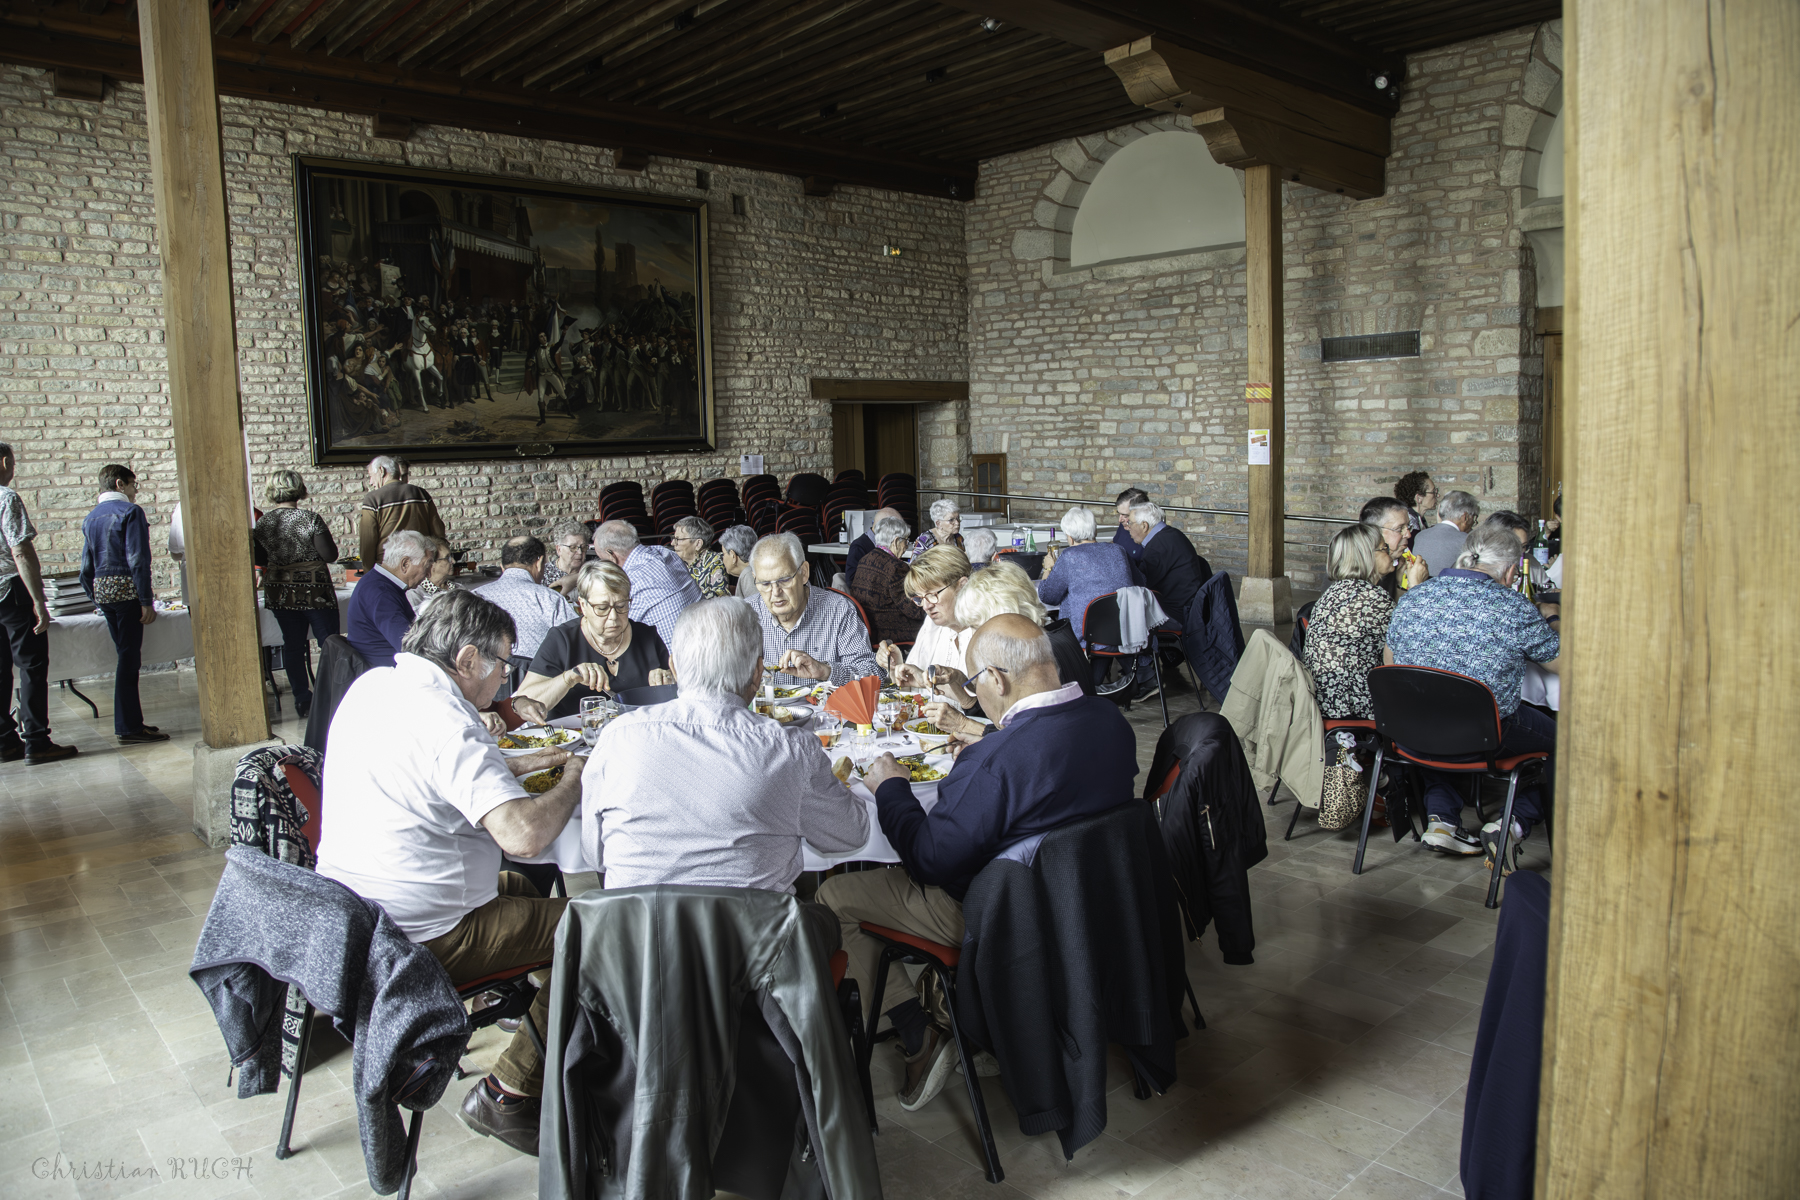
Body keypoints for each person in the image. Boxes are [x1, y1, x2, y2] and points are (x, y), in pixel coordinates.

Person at [816, 615, 1137, 1110]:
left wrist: (892, 788)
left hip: (1000, 913)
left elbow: (928, 861)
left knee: (831, 898)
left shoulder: (994, 763)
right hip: (1087, 900)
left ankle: (919, 1033)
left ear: (998, 680)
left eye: (973, 683)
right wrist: (990, 741)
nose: (973, 693)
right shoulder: (1110, 721)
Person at [316, 591, 585, 1155]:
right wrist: (574, 778)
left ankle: (558, 1019)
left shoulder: (375, 687)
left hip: (356, 916)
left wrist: (525, 762)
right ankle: (509, 1091)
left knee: (522, 889)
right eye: (502, 663)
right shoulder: (448, 721)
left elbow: (436, 769)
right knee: (603, 927)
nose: (505, 677)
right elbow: (524, 836)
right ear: (467, 659)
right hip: (423, 934)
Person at [581, 597, 868, 889]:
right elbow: (850, 833)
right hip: (752, 919)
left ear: (674, 668)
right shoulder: (790, 750)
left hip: (637, 918)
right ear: (757, 673)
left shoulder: (616, 738)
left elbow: (594, 855)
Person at [1386, 525, 1561, 860]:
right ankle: (1512, 823)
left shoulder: (1413, 597)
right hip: (1485, 735)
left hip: (1411, 732)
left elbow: (1390, 664)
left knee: (1436, 710)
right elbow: (1562, 664)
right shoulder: (1512, 605)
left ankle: (1442, 821)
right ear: (1510, 571)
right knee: (1569, 744)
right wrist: (1552, 619)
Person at [920, 560, 1095, 740]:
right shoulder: (1052, 637)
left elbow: (1032, 740)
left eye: (976, 627)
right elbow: (1007, 718)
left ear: (1002, 617)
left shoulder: (1041, 659)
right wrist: (964, 688)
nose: (973, 637)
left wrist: (965, 725)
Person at [514, 561, 672, 721]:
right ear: (583, 605)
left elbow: (678, 694)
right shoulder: (563, 639)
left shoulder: (647, 636)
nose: (613, 617)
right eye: (602, 608)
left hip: (633, 731)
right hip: (573, 735)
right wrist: (568, 678)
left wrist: (669, 681)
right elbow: (525, 702)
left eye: (621, 606)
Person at [77, 464, 166, 746]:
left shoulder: (91, 517)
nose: (135, 490)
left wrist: (95, 596)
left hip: (103, 592)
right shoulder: (130, 511)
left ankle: (131, 722)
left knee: (124, 657)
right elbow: (138, 559)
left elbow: (85, 567)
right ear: (119, 484)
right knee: (129, 660)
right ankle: (128, 727)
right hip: (127, 591)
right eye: (133, 484)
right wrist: (145, 599)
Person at [0, 445, 71, 765]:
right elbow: (20, 551)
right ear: (5, 462)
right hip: (12, 591)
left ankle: (4, 742)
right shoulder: (6, 498)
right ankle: (36, 741)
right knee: (31, 665)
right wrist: (38, 600)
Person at [254, 468, 341, 719]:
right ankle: (331, 696)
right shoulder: (310, 519)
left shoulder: (263, 523)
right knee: (329, 643)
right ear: (299, 489)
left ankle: (302, 699)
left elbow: (260, 558)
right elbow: (330, 555)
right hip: (314, 590)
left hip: (280, 590)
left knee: (292, 646)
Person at [744, 533, 880, 687]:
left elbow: (872, 675)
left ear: (804, 573)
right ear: (755, 578)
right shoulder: (744, 614)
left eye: (785, 580)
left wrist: (826, 671)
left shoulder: (839, 610)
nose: (775, 592)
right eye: (765, 584)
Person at [1304, 524, 1396, 720]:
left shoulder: (1334, 592)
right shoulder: (1373, 598)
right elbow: (1405, 648)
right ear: (1367, 556)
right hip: (1352, 704)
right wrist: (1415, 587)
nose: (1390, 553)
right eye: (1384, 548)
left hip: (1323, 699)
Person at [473, 536, 575, 679]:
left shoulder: (474, 597)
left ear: (502, 567)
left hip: (483, 681)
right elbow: (576, 640)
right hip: (539, 684)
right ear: (539, 563)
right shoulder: (549, 598)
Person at [589, 519, 700, 649]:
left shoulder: (630, 581)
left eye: (602, 559)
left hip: (677, 657)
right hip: (708, 641)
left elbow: (617, 634)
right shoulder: (665, 553)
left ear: (611, 555)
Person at [875, 546, 971, 693]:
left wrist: (926, 683)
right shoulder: (931, 625)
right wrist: (897, 667)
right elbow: (911, 695)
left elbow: (982, 703)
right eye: (919, 598)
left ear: (962, 586)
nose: (926, 606)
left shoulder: (988, 632)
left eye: (932, 594)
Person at [1035, 506, 1136, 644]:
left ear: (1070, 538)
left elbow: (1048, 596)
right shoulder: (1118, 550)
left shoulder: (1070, 556)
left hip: (1086, 639)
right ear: (1095, 530)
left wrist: (1048, 568)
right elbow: (1138, 583)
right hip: (1126, 634)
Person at [345, 529, 431, 668]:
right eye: (426, 566)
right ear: (405, 564)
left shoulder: (378, 581)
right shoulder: (381, 593)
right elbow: (410, 646)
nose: (428, 574)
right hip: (384, 672)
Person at [848, 513, 922, 647]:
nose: (906, 546)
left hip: (866, 629)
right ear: (896, 541)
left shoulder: (865, 559)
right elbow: (912, 609)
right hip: (887, 631)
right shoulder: (896, 567)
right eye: (906, 541)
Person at [357, 455, 445, 568]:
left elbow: (367, 543)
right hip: (420, 564)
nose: (370, 482)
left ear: (381, 471)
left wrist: (368, 571)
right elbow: (438, 532)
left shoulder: (373, 499)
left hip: (388, 566)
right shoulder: (421, 493)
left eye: (371, 476)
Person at [1362, 496, 1431, 599]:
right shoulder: (1358, 574)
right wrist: (1416, 586)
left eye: (1408, 527)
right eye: (1399, 528)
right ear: (1374, 532)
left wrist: (1401, 585)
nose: (1408, 535)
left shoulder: (1398, 565)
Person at [1413, 490, 1480, 578]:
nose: (1474, 522)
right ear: (1465, 517)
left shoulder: (1420, 536)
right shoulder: (1467, 540)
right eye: (1474, 517)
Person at [667, 515, 729, 599]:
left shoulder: (714, 561)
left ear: (698, 544)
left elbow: (721, 597)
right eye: (673, 538)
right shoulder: (674, 562)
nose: (673, 543)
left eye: (678, 539)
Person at [844, 506, 902, 581]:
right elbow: (851, 580)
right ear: (883, 527)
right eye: (897, 529)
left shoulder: (888, 543)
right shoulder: (859, 546)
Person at [540, 518, 588, 598]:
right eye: (573, 547)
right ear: (559, 549)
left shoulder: (592, 569)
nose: (580, 552)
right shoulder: (543, 574)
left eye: (583, 547)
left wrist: (578, 577)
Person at [405, 536, 454, 613]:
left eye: (451, 557)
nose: (453, 561)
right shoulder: (416, 594)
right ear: (432, 563)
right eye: (447, 558)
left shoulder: (457, 587)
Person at [1112, 486, 1149, 563]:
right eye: (1119, 514)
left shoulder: (1150, 539)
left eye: (1125, 515)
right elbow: (1115, 543)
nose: (1120, 520)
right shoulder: (1125, 526)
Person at [719, 524, 758, 594]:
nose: (722, 559)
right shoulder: (754, 569)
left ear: (733, 556)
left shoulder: (749, 576)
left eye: (724, 554)